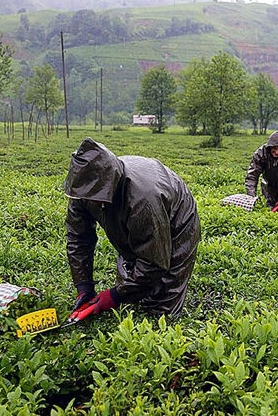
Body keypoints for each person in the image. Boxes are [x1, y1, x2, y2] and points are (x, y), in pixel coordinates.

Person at [63, 138, 200, 323]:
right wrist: (84, 287)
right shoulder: (82, 188)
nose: (90, 202)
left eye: (95, 195)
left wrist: (112, 296)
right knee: (131, 285)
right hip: (141, 208)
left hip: (177, 217)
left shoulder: (143, 198)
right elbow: (78, 239)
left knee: (161, 306)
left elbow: (154, 262)